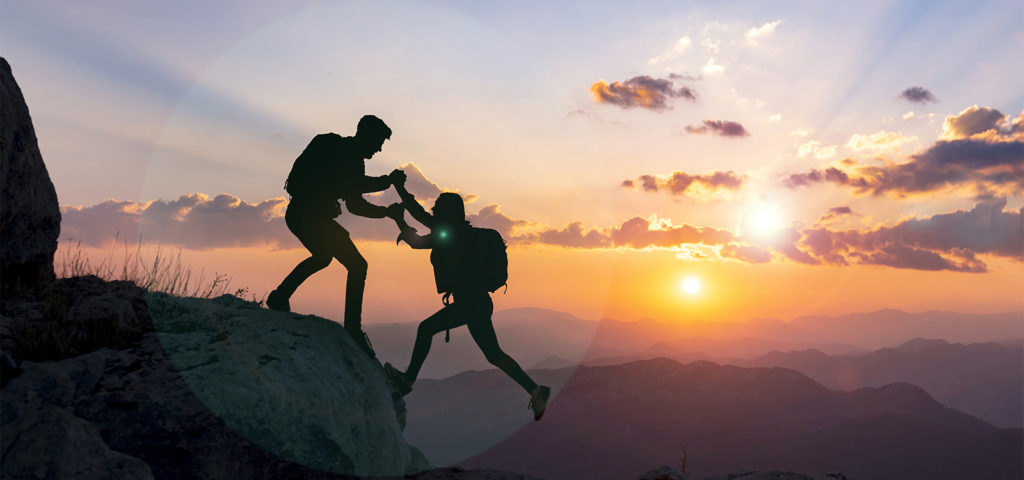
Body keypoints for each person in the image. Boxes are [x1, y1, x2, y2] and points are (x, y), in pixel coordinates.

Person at [383, 181, 551, 421]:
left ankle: (406, 382)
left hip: (470, 304)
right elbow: (419, 234)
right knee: (493, 354)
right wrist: (401, 217)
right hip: (479, 303)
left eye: (438, 209)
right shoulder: (459, 234)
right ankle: (536, 390)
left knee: (426, 329)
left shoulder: (449, 234)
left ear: (447, 214)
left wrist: (399, 198)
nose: (433, 213)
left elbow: (417, 231)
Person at [267, 115, 406, 357]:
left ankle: (279, 296)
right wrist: (388, 182)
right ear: (366, 135)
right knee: (357, 265)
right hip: (308, 216)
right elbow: (357, 184)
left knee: (324, 257)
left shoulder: (347, 156)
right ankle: (352, 328)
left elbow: (356, 205)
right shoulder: (345, 154)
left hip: (304, 215)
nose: (379, 148)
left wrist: (386, 212)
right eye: (378, 142)